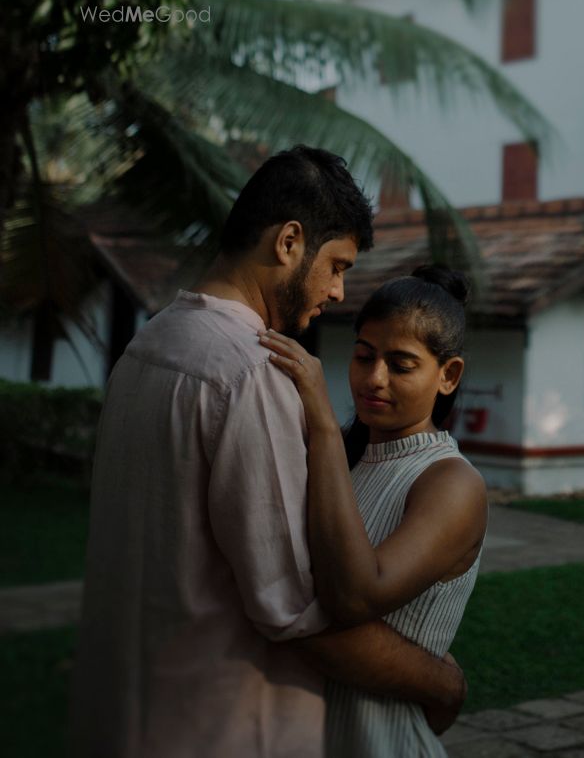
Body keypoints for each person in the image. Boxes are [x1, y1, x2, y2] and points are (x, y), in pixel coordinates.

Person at [68, 146, 467, 758]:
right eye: (336, 265)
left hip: (127, 705)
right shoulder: (251, 375)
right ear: (288, 242)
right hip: (221, 725)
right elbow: (295, 610)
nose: (338, 291)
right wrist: (440, 681)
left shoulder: (148, 345)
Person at [259, 264, 489, 758]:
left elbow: (356, 597)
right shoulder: (340, 460)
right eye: (364, 356)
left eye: (401, 365)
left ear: (447, 375)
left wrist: (321, 423)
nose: (374, 378)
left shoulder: (450, 482)